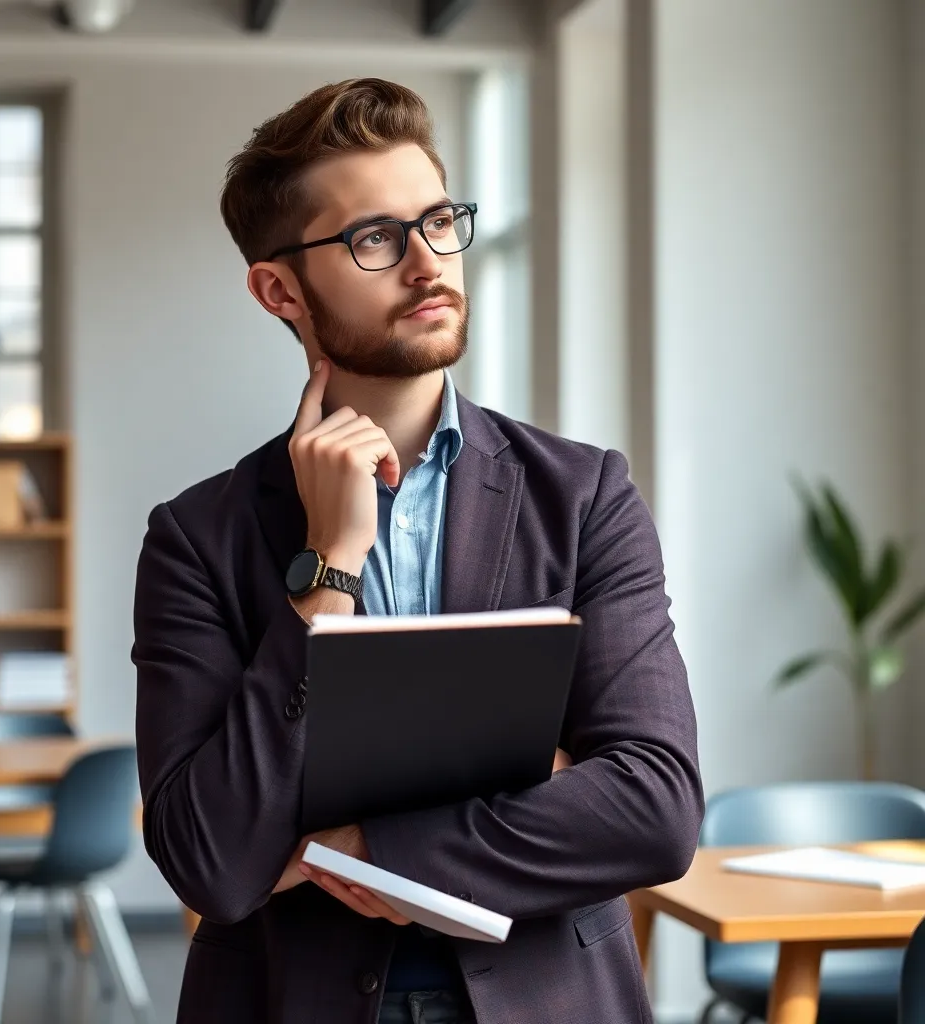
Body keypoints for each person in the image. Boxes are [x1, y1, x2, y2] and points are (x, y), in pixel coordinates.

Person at [132, 77, 703, 1024]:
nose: (428, 263)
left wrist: (364, 844)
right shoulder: (199, 538)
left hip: (550, 998)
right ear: (281, 289)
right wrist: (327, 570)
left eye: (439, 222)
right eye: (374, 238)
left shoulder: (584, 495)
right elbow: (212, 863)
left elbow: (654, 807)